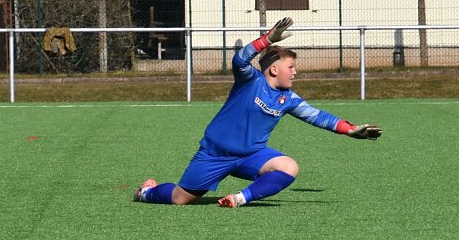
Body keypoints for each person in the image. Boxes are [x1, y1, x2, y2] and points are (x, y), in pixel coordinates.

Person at [133, 17, 382, 208]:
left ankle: (241, 198)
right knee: (180, 199)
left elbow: (318, 117)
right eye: (291, 67)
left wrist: (350, 130)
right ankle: (147, 192)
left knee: (289, 166)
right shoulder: (250, 81)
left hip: (252, 155)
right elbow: (240, 60)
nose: (295, 72)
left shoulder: (288, 99)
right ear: (274, 70)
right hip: (215, 153)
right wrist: (268, 39)